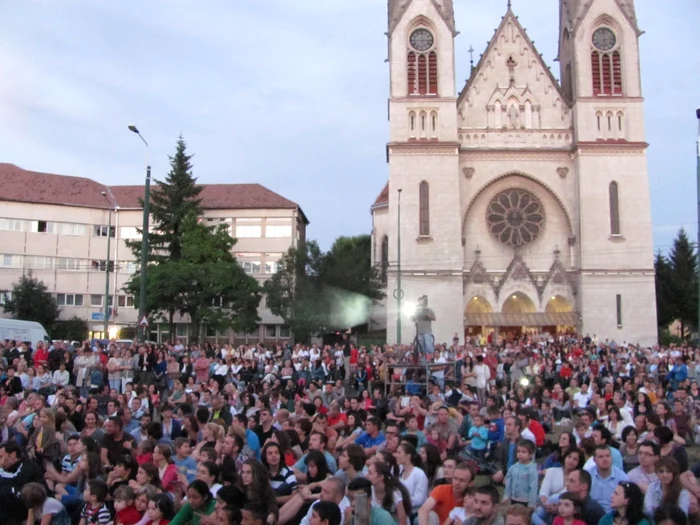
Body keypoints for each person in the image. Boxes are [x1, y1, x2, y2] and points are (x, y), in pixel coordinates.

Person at [585, 445, 628, 513]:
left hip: (614, 515)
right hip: (591, 514)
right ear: (594, 460)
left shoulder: (622, 477)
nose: (605, 459)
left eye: (607, 456)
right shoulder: (587, 475)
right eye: (601, 457)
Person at [503, 439, 538, 508]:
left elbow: (533, 487)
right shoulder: (513, 468)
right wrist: (506, 496)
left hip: (525, 501)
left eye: (523, 452)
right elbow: (508, 483)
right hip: (514, 499)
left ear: (531, 454)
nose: (520, 454)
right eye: (518, 451)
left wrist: (531, 504)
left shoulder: (532, 470)